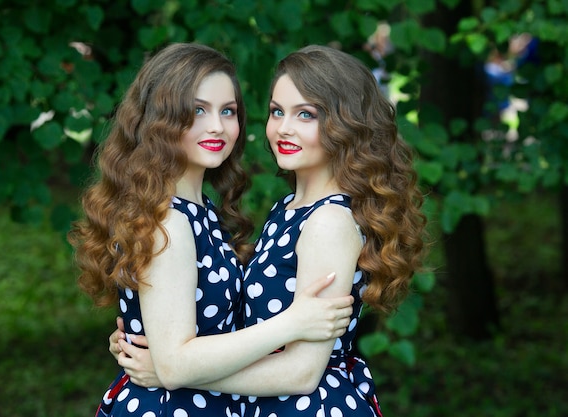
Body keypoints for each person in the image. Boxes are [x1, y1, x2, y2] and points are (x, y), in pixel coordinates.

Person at [108, 44, 427, 417]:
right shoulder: (273, 211)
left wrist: (169, 370)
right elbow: (192, 340)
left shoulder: (327, 221)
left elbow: (302, 372)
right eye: (277, 112)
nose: (284, 128)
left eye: (305, 114)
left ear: (346, 124)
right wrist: (158, 351)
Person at [69, 43, 356, 417]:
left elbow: (180, 359)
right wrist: (291, 323)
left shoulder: (202, 213)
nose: (217, 126)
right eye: (197, 110)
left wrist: (167, 364)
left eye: (228, 111)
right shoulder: (169, 220)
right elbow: (175, 363)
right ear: (162, 119)